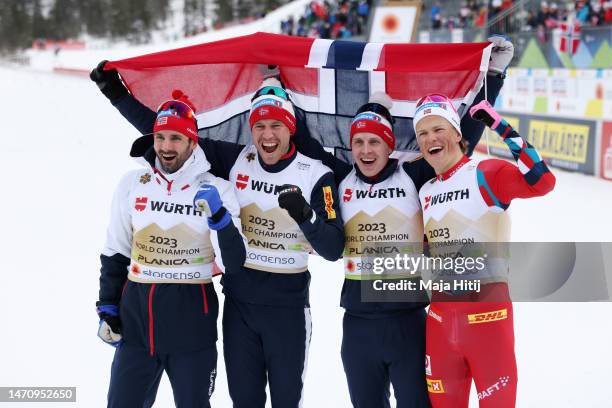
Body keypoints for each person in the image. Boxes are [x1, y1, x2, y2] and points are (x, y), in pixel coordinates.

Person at [90, 67, 345, 407]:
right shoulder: (236, 158)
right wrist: (117, 95)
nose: (267, 135)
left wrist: (305, 215)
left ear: (291, 128)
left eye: (276, 126)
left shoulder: (316, 172)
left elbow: (333, 248)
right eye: (259, 126)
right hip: (239, 308)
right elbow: (174, 137)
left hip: (287, 310)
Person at [288, 38, 512, 408]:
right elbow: (301, 138)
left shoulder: (414, 175)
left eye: (375, 142)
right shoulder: (340, 179)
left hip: (409, 321)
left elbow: (461, 137)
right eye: (358, 142)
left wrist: (493, 75)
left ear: (389, 144)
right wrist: (275, 83)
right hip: (357, 326)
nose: (365, 151)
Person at [96, 96, 245, 408]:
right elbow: (116, 248)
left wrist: (219, 219)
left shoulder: (218, 189)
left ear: (192, 141)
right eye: (160, 137)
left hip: (192, 334)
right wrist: (108, 306)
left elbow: (232, 262)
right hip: (137, 329)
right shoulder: (133, 183)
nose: (166, 146)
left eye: (176, 138)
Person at [413, 96, 555, 407]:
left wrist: (500, 126)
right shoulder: (425, 192)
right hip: (439, 325)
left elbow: (542, 182)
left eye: (438, 129)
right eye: (422, 134)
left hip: (488, 324)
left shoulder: (484, 173)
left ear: (457, 134)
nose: (430, 139)